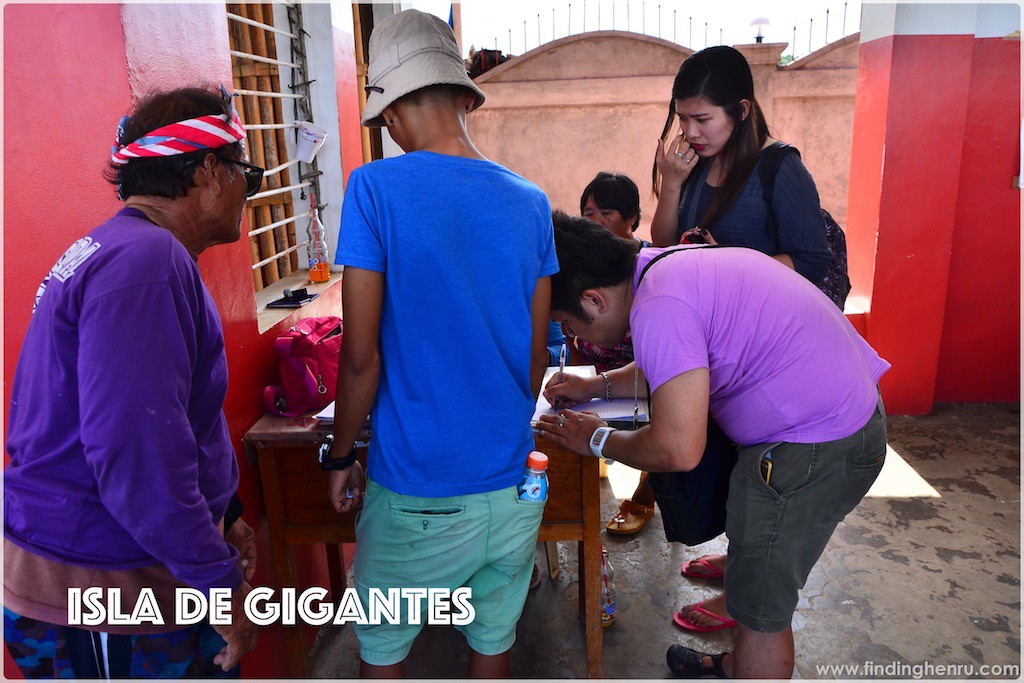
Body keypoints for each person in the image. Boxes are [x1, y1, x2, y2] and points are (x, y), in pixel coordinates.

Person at [537, 213, 889, 679]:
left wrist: (595, 439)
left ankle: (754, 665)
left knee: (759, 610)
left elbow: (677, 449)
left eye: (566, 323)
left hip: (813, 450)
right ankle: (736, 664)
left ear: (593, 300)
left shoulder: (659, 306)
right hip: (840, 423)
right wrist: (597, 386)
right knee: (753, 573)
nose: (575, 338)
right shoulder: (661, 266)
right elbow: (678, 361)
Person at [322, 10, 557, 678]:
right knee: (492, 641)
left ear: (390, 114)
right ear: (463, 98)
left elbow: (361, 357)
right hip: (514, 485)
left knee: (385, 648)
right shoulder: (531, 201)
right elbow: (534, 357)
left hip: (418, 491)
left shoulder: (374, 188)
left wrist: (339, 454)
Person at [3, 86, 262, 677]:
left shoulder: (126, 251)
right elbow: (135, 452)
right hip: (100, 587)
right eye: (245, 169)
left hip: (127, 572)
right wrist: (222, 587)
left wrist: (225, 513)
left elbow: (171, 417)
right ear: (209, 171)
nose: (251, 187)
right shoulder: (145, 264)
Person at [649, 44, 837, 630]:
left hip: (771, 355)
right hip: (720, 354)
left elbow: (813, 263)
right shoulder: (696, 168)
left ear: (743, 110)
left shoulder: (779, 167)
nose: (690, 131)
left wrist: (727, 263)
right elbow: (661, 248)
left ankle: (744, 601)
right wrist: (673, 184)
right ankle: (738, 560)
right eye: (682, 119)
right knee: (734, 465)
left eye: (702, 119)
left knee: (766, 473)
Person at [574, 172, 656, 535]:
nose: (594, 222)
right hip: (596, 375)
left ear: (632, 219)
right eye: (588, 213)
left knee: (664, 424)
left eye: (605, 212)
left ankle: (645, 496)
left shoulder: (650, 267)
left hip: (644, 375)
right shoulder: (579, 267)